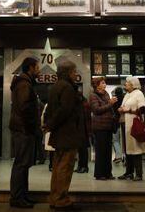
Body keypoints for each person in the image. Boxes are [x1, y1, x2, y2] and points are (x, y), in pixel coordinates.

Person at [44, 61, 84, 210]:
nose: (76, 74)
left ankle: (54, 198)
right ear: (68, 72)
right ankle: (61, 199)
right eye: (74, 71)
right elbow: (65, 110)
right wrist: (52, 124)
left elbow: (51, 110)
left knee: (57, 166)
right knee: (65, 167)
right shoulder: (67, 87)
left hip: (58, 134)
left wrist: (49, 125)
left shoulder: (55, 86)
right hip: (67, 133)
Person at [9, 57, 40, 209]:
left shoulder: (25, 83)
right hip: (23, 129)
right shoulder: (24, 84)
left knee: (23, 164)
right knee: (21, 164)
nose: (39, 70)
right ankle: (16, 197)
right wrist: (32, 125)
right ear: (31, 68)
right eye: (37, 67)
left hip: (23, 128)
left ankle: (23, 195)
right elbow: (24, 107)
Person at [118, 76, 145, 182]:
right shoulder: (127, 94)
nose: (125, 84)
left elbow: (142, 109)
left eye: (127, 83)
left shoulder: (138, 93)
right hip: (125, 124)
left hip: (133, 124)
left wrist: (129, 110)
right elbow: (124, 107)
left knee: (136, 149)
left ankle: (139, 174)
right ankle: (129, 173)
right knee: (128, 149)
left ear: (133, 84)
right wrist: (121, 109)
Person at [89, 77, 117, 180]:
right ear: (97, 85)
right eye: (103, 82)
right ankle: (100, 174)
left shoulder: (105, 94)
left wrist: (112, 104)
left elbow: (107, 107)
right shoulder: (93, 96)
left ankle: (108, 173)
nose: (105, 84)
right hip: (99, 127)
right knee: (100, 151)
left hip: (108, 126)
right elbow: (96, 110)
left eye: (105, 82)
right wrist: (110, 104)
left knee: (108, 151)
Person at [75, 93, 91, 174]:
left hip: (83, 130)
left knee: (83, 150)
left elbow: (86, 119)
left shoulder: (84, 105)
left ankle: (84, 166)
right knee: (81, 149)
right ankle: (81, 166)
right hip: (81, 130)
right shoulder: (82, 104)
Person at [112, 87, 125, 163]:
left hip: (116, 123)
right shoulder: (125, 99)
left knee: (116, 140)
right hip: (124, 121)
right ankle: (125, 157)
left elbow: (112, 111)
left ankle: (118, 156)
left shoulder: (114, 100)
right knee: (124, 140)